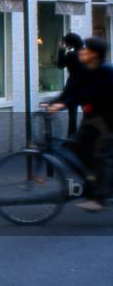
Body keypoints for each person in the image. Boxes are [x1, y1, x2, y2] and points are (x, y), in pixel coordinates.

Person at [46, 37, 113, 211]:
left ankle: (101, 198)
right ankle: (92, 176)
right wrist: (54, 101)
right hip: (92, 119)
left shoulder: (105, 72)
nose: (81, 51)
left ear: (94, 54)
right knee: (75, 146)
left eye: (86, 49)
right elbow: (72, 89)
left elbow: (90, 93)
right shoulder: (84, 70)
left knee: (102, 154)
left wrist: (63, 104)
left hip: (108, 121)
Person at [57, 33, 84, 135]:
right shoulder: (86, 53)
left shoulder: (71, 55)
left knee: (72, 115)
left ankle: (71, 138)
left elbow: (60, 65)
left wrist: (61, 49)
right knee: (88, 114)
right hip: (85, 86)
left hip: (73, 87)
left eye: (66, 43)